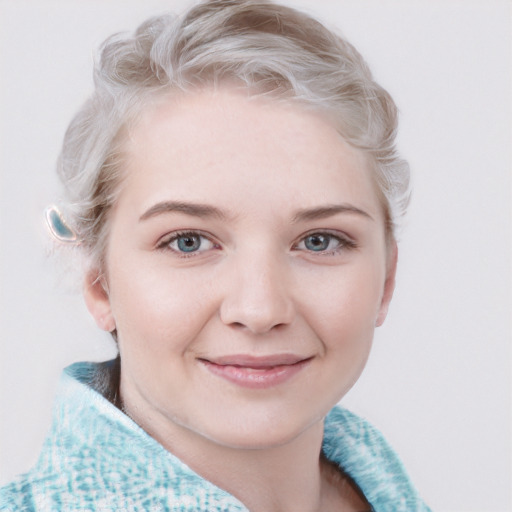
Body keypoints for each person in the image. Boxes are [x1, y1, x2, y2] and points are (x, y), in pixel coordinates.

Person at [0, 0, 432, 510]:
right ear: (99, 281)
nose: (259, 310)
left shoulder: (380, 483)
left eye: (320, 241)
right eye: (188, 241)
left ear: (386, 281)